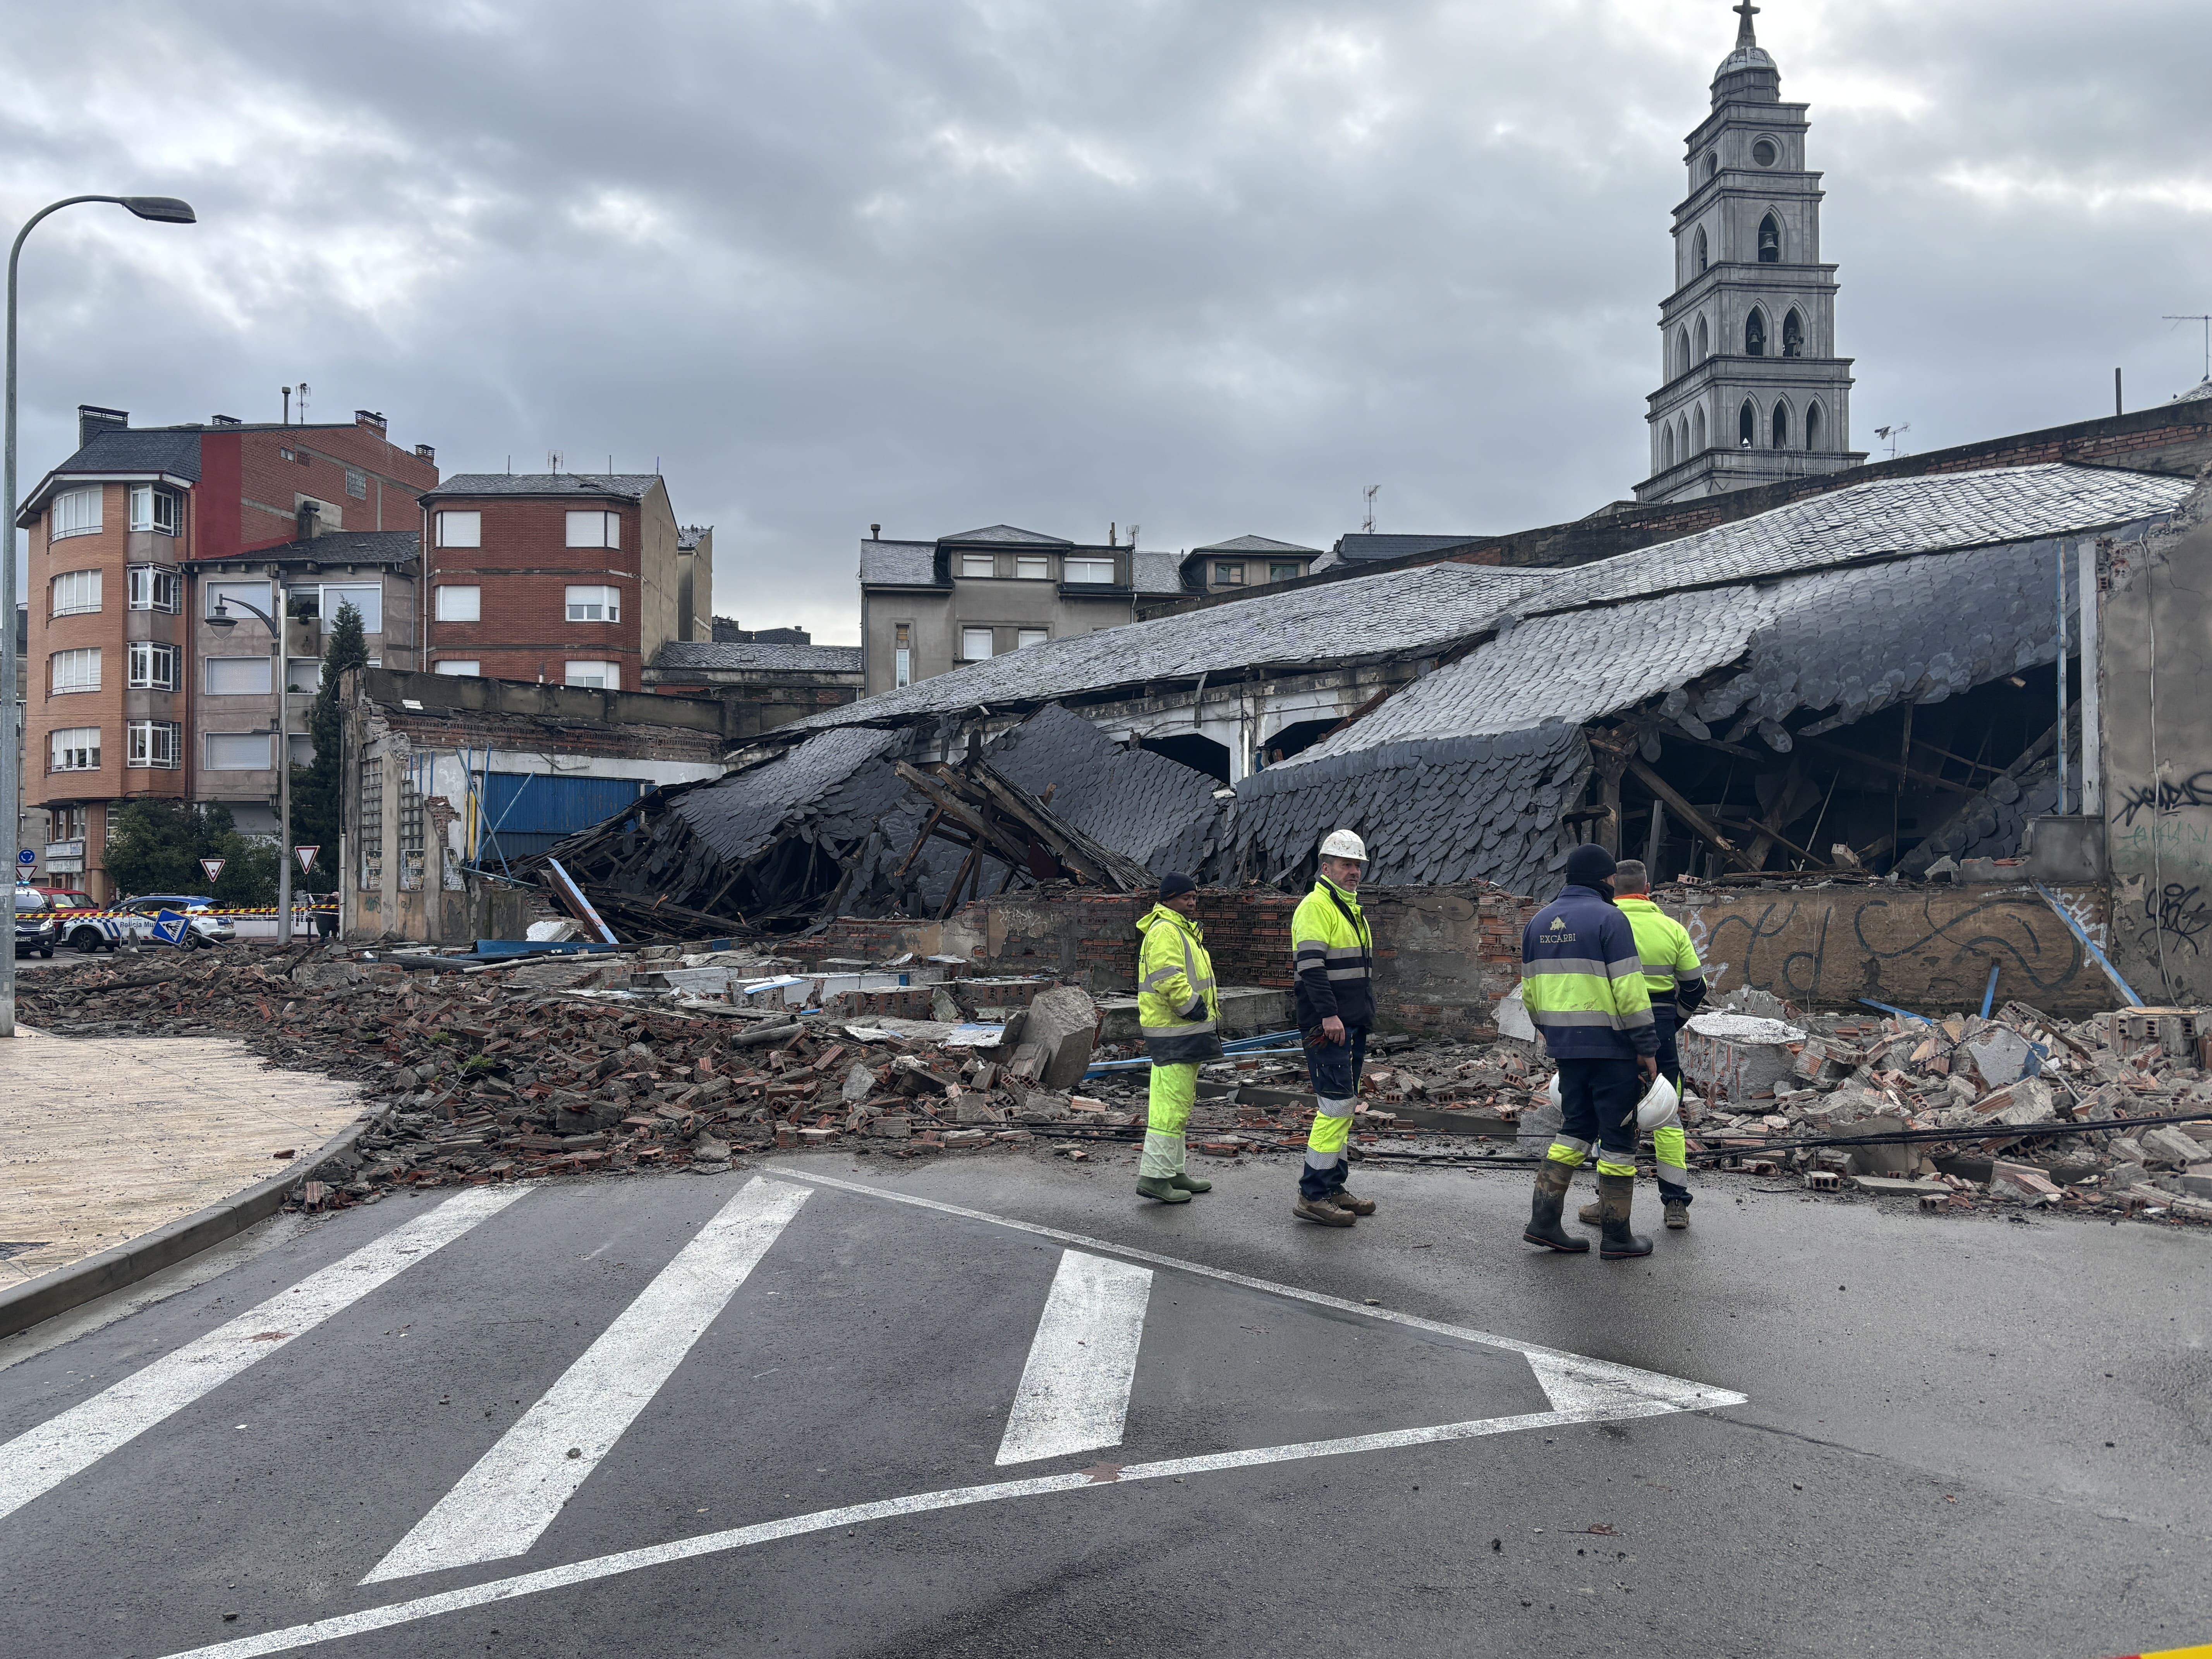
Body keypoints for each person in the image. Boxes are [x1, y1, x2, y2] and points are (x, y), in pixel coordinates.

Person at [1519, 843, 1660, 1260]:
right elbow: (1630, 991)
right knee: (1617, 1136)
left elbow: (1530, 994)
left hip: (1566, 1046)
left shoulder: (1537, 923)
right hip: (1612, 1048)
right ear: (1607, 880)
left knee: (1575, 1128)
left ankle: (1543, 1222)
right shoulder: (1610, 918)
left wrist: (1555, 1034)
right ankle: (1617, 1237)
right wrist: (1647, 1048)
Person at [1578, 858, 1706, 1232]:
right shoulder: (1672, 929)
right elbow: (1696, 988)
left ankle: (1608, 1203)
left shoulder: (1599, 924)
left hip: (1609, 1033)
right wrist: (1673, 1022)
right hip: (1660, 1031)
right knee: (1666, 1116)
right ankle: (1676, 1206)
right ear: (1647, 889)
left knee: (1610, 1115)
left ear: (1611, 887)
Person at [1291, 830, 1376, 1227]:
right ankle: (1313, 1194)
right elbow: (1311, 967)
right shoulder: (1316, 906)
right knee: (1336, 1105)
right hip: (1328, 1025)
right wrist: (1329, 1015)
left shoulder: (1350, 908)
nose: (1354, 872)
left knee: (1343, 1106)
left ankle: (1334, 1185)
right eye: (1346, 865)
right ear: (1326, 868)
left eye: (1358, 865)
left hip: (1350, 1024)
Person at [1133, 872, 1221, 1204]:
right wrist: (1192, 1008)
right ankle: (1155, 1177)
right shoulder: (1167, 931)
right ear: (1168, 898)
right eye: (1187, 898)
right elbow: (1169, 978)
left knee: (1179, 1104)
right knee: (1169, 1108)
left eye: (1195, 897)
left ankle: (1173, 1171)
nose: (1192, 903)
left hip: (1181, 1032)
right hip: (1175, 1031)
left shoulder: (1178, 929)